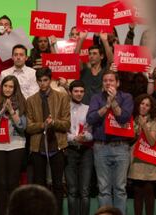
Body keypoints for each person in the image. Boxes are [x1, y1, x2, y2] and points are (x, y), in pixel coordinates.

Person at [86, 70, 133, 215]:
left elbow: (124, 118)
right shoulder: (96, 98)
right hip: (101, 147)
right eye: (105, 80)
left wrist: (113, 103)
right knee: (104, 188)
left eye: (111, 80)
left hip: (121, 147)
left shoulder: (126, 97)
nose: (108, 83)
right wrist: (106, 105)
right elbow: (91, 119)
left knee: (120, 188)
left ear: (117, 83)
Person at [26, 68, 70, 215]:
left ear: (50, 80)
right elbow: (28, 127)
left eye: (45, 80)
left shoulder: (61, 97)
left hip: (57, 145)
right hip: (38, 147)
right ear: (36, 81)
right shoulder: (31, 100)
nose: (42, 83)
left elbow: (66, 124)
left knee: (58, 185)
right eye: (40, 80)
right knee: (40, 186)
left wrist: (54, 123)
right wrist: (42, 125)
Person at [0, 75, 27, 215]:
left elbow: (22, 127)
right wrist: (1, 112)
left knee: (12, 183)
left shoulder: (22, 103)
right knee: (1, 183)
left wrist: (11, 111)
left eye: (11, 86)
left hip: (16, 144)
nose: (7, 89)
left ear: (15, 88)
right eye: (5, 86)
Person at [128, 94, 156, 215]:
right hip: (136, 160)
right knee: (137, 192)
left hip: (149, 160)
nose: (144, 107)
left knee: (149, 192)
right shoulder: (132, 118)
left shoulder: (155, 120)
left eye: (147, 105)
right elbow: (129, 139)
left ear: (151, 108)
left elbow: (152, 141)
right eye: (142, 104)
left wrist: (144, 126)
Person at [65, 80, 93, 215]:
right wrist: (73, 138)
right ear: (70, 92)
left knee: (85, 191)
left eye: (81, 91)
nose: (79, 94)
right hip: (69, 150)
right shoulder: (64, 108)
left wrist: (84, 136)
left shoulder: (88, 109)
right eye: (76, 91)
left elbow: (91, 133)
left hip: (86, 151)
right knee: (72, 190)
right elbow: (61, 132)